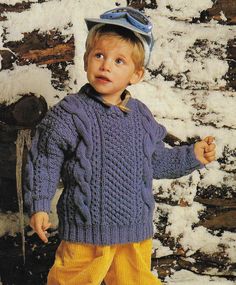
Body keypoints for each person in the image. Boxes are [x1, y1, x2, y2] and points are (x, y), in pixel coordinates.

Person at [24, 7, 216, 285]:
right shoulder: (71, 113)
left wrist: (192, 156)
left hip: (134, 232)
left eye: (119, 61)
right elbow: (45, 159)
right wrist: (39, 204)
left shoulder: (140, 117)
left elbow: (154, 161)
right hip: (85, 232)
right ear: (86, 59)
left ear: (136, 74)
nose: (106, 65)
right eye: (99, 55)